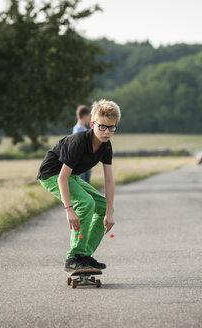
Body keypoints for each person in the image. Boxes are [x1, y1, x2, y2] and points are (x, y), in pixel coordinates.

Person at [37, 99, 121, 272]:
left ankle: (84, 256)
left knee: (105, 208)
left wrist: (109, 213)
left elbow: (109, 180)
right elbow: (62, 178)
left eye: (111, 127)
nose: (106, 132)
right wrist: (69, 209)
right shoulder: (78, 142)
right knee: (85, 203)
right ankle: (73, 257)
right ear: (92, 124)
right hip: (52, 174)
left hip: (71, 176)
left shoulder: (106, 146)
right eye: (102, 127)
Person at [72, 105, 92, 184]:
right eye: (89, 116)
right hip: (81, 162)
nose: (90, 118)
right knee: (83, 185)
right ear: (84, 116)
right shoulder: (79, 129)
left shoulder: (82, 129)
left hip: (85, 162)